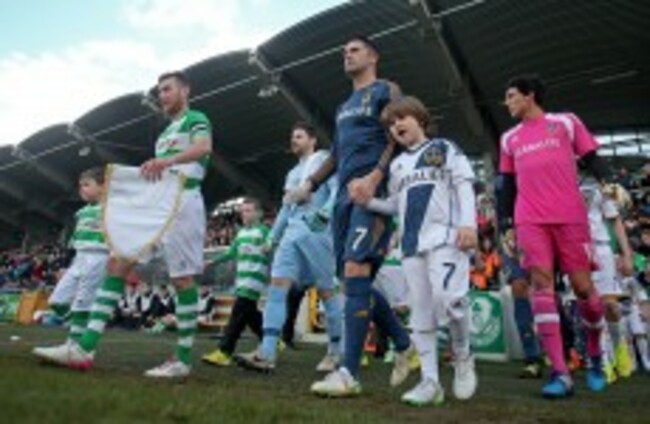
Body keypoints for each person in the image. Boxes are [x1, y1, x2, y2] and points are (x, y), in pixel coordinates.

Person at [37, 71, 213, 378]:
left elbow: (204, 147)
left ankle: (182, 360)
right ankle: (84, 348)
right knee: (118, 263)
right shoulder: (164, 134)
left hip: (184, 203)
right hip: (158, 204)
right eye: (160, 91)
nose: (162, 95)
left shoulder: (195, 118)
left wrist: (167, 162)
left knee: (182, 279)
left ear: (185, 90)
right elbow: (162, 169)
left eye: (168, 89)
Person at [293, 35, 415, 397]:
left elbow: (396, 134)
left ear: (373, 56)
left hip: (372, 193)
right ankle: (404, 344)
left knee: (356, 272)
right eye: (344, 52)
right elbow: (336, 153)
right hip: (344, 199)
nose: (347, 55)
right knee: (352, 283)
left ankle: (348, 372)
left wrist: (376, 177)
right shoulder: (343, 106)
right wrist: (311, 183)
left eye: (354, 50)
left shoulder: (385, 90)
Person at [358, 95, 478, 406]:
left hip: (447, 238)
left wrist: (469, 225)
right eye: (391, 123)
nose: (396, 125)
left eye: (402, 118)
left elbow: (464, 185)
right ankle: (430, 382)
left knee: (450, 300)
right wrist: (368, 201)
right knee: (421, 312)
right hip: (412, 245)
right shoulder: (397, 165)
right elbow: (394, 205)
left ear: (421, 119)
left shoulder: (444, 148)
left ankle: (463, 355)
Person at [498, 74, 609, 398]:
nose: (507, 102)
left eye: (511, 96)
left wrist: (611, 182)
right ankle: (560, 373)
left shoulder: (566, 122)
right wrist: (506, 224)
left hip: (571, 217)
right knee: (541, 285)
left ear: (529, 95)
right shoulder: (509, 138)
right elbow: (507, 184)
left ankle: (595, 354)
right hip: (530, 219)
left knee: (584, 289)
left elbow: (592, 158)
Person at [235, 121, 343, 374]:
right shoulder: (292, 174)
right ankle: (267, 352)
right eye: (292, 136)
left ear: (313, 140)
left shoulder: (322, 160)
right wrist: (273, 237)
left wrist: (327, 212)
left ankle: (336, 350)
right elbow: (286, 208)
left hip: (317, 233)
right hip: (292, 234)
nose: (294, 140)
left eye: (299, 136)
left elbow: (337, 189)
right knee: (276, 288)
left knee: (327, 292)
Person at [33, 168, 109, 356]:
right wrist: (64, 265)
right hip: (79, 259)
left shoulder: (112, 208)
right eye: (80, 185)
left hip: (98, 257)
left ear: (103, 186)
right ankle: (81, 325)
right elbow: (73, 242)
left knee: (83, 302)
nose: (82, 189)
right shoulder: (81, 213)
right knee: (57, 301)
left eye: (87, 185)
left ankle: (74, 345)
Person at [202, 198, 269, 366]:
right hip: (242, 280)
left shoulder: (263, 231)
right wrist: (212, 262)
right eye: (242, 211)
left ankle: (224, 351)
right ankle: (271, 340)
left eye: (248, 210)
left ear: (258, 214)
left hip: (254, 280)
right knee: (250, 314)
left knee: (237, 315)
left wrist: (269, 248)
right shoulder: (242, 233)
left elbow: (273, 247)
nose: (244, 214)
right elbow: (231, 253)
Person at [580, 178, 635, 381]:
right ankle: (603, 360)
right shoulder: (559, 183)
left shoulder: (599, 185)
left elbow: (615, 220)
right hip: (576, 249)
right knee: (590, 306)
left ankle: (620, 345)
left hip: (601, 248)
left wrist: (626, 254)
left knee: (610, 306)